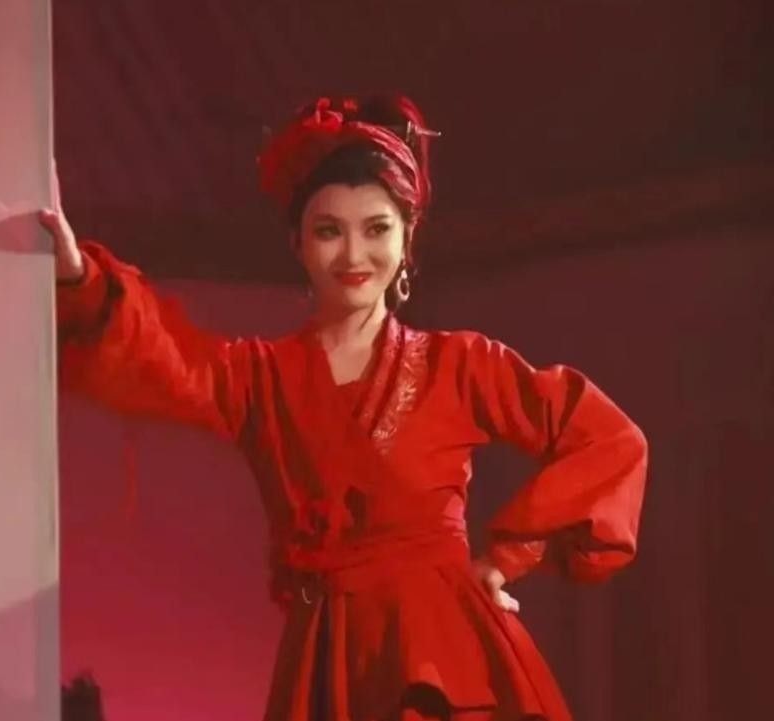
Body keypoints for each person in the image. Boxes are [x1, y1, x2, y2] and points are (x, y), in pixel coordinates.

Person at [41, 95, 648, 721]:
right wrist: (76, 274)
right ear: (298, 244)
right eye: (329, 231)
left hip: (445, 650)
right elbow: (163, 358)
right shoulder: (258, 377)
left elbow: (607, 438)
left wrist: (509, 557)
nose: (354, 256)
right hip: (327, 659)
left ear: (407, 239)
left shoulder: (462, 364)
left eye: (376, 229)